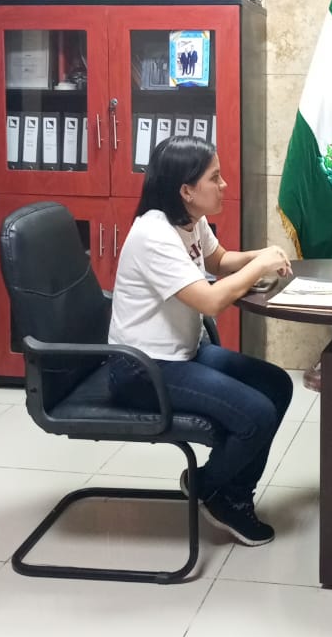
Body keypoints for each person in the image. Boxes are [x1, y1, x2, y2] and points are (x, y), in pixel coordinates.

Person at [108, 135, 294, 546]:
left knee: (277, 384)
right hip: (142, 368)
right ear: (186, 190)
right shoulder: (154, 234)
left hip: (182, 353)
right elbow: (210, 300)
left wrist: (260, 255)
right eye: (215, 178)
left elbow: (219, 261)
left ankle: (232, 494)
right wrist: (258, 266)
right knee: (257, 414)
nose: (224, 185)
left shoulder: (190, 220)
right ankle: (209, 487)